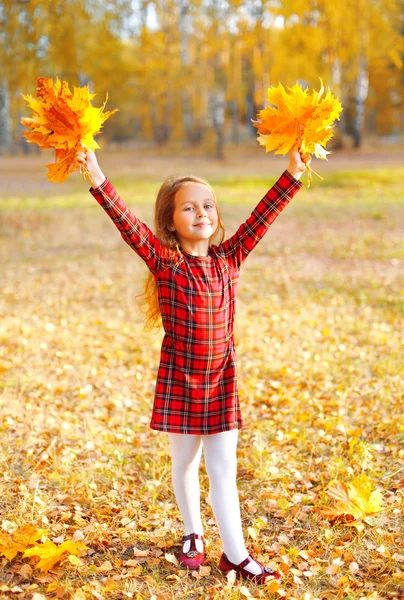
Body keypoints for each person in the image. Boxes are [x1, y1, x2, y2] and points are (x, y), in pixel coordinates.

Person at [75, 144, 309, 584]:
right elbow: (127, 225)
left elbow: (264, 216)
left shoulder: (230, 258)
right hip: (181, 381)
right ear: (171, 222)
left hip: (221, 379)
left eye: (208, 205)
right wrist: (97, 176)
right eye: (188, 208)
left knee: (223, 470)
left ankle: (235, 554)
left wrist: (292, 173)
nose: (201, 213)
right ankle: (193, 533)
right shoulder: (166, 263)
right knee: (184, 462)